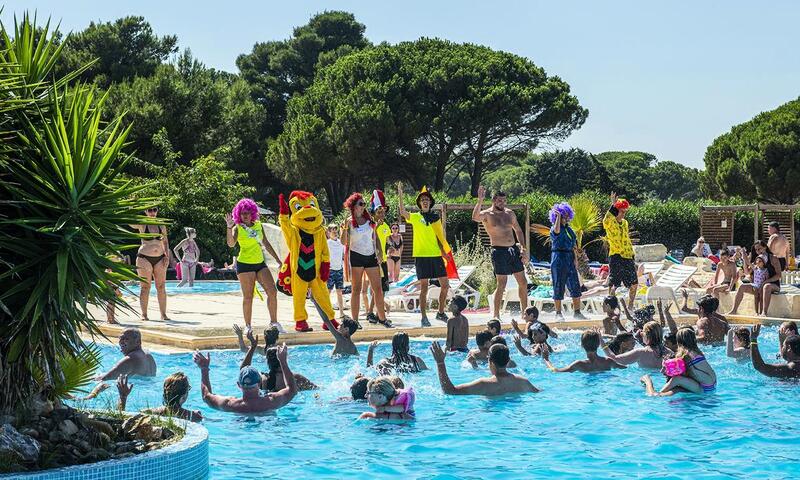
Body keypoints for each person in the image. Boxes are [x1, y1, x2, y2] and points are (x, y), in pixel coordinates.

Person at [397, 183, 453, 326]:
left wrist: (444, 253)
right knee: (424, 287)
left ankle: (440, 312)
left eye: (427, 200)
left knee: (445, 285)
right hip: (421, 256)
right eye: (422, 200)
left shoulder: (435, 218)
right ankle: (424, 317)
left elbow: (439, 237)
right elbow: (402, 211)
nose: (425, 201)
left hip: (435, 255)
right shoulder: (415, 217)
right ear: (419, 203)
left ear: (430, 202)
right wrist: (400, 193)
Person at [225, 199, 283, 333]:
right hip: (245, 264)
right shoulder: (237, 228)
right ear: (239, 214)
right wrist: (229, 227)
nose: (245, 215)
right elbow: (231, 244)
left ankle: (274, 322)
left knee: (272, 291)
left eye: (248, 213)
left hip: (260, 263)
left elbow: (266, 243)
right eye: (243, 213)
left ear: (253, 214)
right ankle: (248, 326)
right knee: (248, 296)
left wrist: (278, 260)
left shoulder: (258, 225)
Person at [472, 186, 529, 318]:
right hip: (499, 251)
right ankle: (496, 315)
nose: (502, 203)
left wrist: (523, 248)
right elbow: (475, 217)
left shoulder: (510, 213)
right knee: (501, 284)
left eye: (504, 201)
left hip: (513, 250)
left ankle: (524, 312)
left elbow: (518, 230)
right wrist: (480, 200)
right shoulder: (487, 214)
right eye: (499, 201)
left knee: (523, 282)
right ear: (493, 200)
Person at [194, 344, 298, 413]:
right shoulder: (271, 401)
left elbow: (206, 396)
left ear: (239, 385)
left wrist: (204, 368)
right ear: (259, 383)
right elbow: (292, 390)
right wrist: (283, 361)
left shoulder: (230, 404)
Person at [341, 193, 392, 328]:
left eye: (364, 204)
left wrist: (380, 252)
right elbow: (343, 241)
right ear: (353, 206)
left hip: (370, 256)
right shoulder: (349, 222)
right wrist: (345, 227)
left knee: (378, 289)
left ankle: (382, 318)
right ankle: (355, 321)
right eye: (361, 204)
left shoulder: (369, 220)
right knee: (356, 290)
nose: (364, 206)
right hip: (356, 256)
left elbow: (375, 238)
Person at [430, 341, 539, 396]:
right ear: (508, 361)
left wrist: (440, 363)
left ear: (490, 362)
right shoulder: (523, 382)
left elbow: (449, 391)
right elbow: (540, 393)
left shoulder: (483, 384)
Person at [641, 326, 717, 395]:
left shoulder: (684, 356)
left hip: (703, 389)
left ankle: (653, 387)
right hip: (712, 386)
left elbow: (673, 373)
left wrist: (648, 381)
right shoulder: (698, 353)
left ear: (679, 342)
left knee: (676, 379)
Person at [548, 202, 586, 320]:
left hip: (569, 256)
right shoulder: (554, 228)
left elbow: (573, 245)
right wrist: (558, 218)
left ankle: (577, 312)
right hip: (558, 257)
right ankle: (558, 313)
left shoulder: (570, 230)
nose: (565, 217)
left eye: (565, 215)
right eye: (562, 215)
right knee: (558, 285)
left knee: (575, 285)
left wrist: (575, 260)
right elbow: (557, 231)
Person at [116, 372, 203, 422]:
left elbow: (121, 419)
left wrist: (123, 397)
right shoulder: (194, 416)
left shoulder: (150, 413)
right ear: (183, 397)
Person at [133, 207, 170, 321]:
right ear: (145, 212)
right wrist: (132, 206)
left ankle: (163, 314)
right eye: (150, 210)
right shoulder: (142, 224)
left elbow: (165, 241)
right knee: (145, 287)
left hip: (159, 258)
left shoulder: (161, 225)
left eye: (154, 210)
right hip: (144, 258)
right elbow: (130, 222)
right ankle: (144, 314)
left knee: (161, 286)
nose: (152, 213)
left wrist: (166, 256)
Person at [727, 242, 782, 316]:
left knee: (766, 286)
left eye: (759, 249)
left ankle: (764, 313)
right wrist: (744, 259)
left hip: (773, 285)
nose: (758, 251)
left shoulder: (773, 258)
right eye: (756, 250)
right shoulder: (757, 261)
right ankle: (734, 310)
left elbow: (778, 275)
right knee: (742, 286)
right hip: (758, 285)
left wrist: (765, 282)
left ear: (765, 247)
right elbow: (746, 272)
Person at [603, 193, 638, 306]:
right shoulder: (609, 222)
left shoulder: (625, 223)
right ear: (616, 211)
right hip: (616, 255)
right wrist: (613, 205)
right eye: (622, 211)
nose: (624, 214)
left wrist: (632, 255)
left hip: (628, 256)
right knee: (614, 284)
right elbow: (607, 218)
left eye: (625, 211)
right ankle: (610, 306)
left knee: (634, 283)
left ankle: (630, 306)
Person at [542, 329, 625, 373]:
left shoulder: (579, 364)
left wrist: (546, 359)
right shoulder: (608, 361)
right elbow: (625, 367)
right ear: (598, 344)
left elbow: (556, 371)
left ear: (582, 345)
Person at [365, 190, 392, 323]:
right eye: (379, 211)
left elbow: (386, 241)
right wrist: (376, 227)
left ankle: (376, 313)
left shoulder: (386, 226)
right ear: (374, 212)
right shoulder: (370, 225)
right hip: (373, 260)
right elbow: (370, 238)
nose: (382, 214)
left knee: (381, 289)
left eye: (383, 211)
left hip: (384, 260)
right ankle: (371, 312)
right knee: (376, 288)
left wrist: (390, 247)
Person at [601, 321, 672, 369]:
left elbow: (614, 359)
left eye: (642, 332)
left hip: (646, 383)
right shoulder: (670, 353)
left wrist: (601, 341)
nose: (641, 334)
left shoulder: (640, 353)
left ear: (647, 335)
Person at [326, 224, 348, 322]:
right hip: (330, 270)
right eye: (332, 231)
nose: (335, 233)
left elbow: (343, 255)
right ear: (328, 233)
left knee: (339, 292)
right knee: (328, 291)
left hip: (339, 269)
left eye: (336, 231)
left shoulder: (340, 243)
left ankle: (341, 312)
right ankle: (327, 311)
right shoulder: (327, 243)